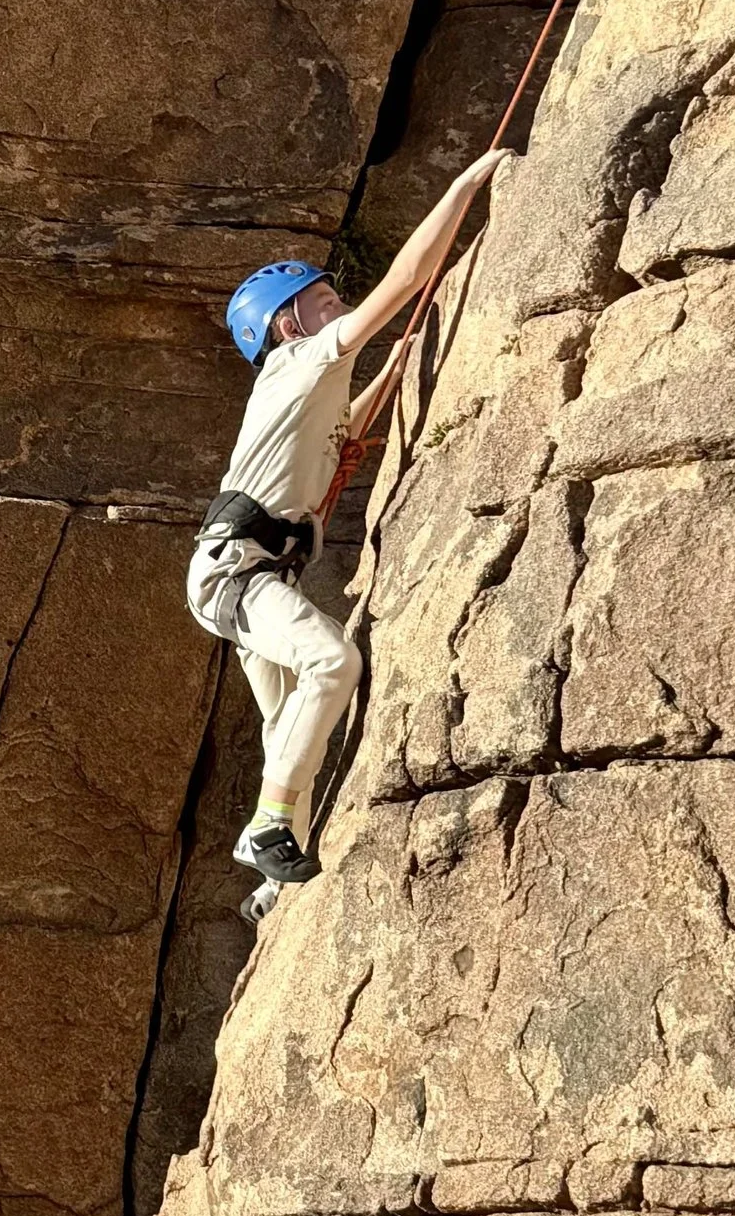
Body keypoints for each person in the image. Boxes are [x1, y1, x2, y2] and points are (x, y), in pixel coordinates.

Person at [190, 149, 513, 905]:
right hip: (238, 573)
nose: (339, 305)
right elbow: (401, 284)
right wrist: (464, 188)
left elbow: (338, 439)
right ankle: (268, 826)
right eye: (326, 298)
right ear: (288, 320)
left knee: (285, 722)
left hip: (246, 571)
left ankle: (274, 878)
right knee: (333, 663)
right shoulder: (299, 360)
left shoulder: (304, 389)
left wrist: (386, 379)